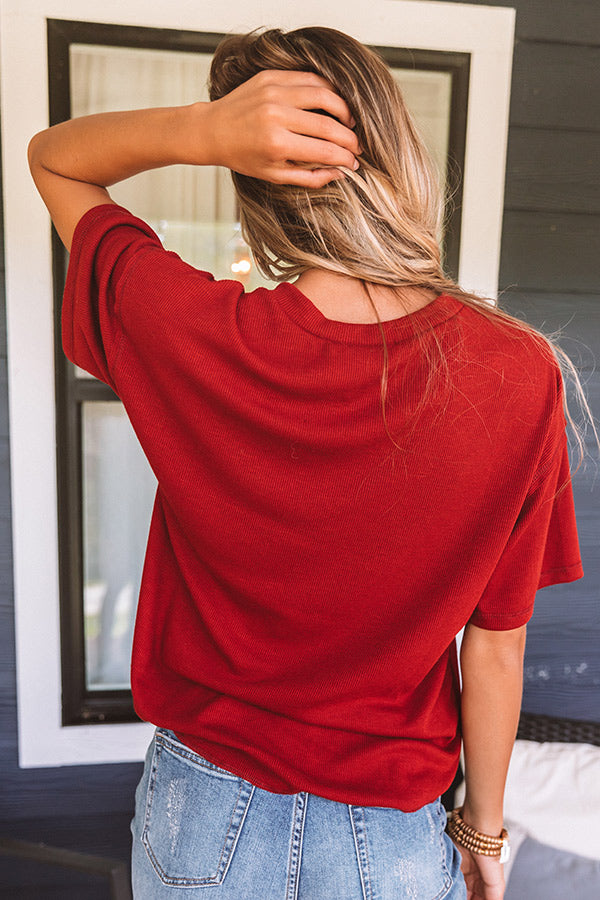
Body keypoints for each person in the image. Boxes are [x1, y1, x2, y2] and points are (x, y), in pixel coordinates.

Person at [28, 26, 584, 900]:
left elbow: (55, 160)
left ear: (253, 191)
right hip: (389, 840)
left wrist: (204, 132)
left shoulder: (189, 331)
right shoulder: (517, 373)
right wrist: (483, 828)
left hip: (199, 815)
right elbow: (497, 643)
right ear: (400, 155)